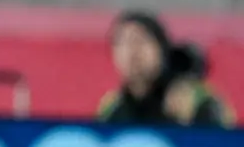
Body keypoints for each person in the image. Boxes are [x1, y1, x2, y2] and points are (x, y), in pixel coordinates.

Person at [97, 10, 231, 127]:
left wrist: (187, 126)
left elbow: (225, 146)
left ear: (161, 50)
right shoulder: (112, 107)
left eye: (140, 40)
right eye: (122, 42)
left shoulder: (195, 98)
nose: (131, 51)